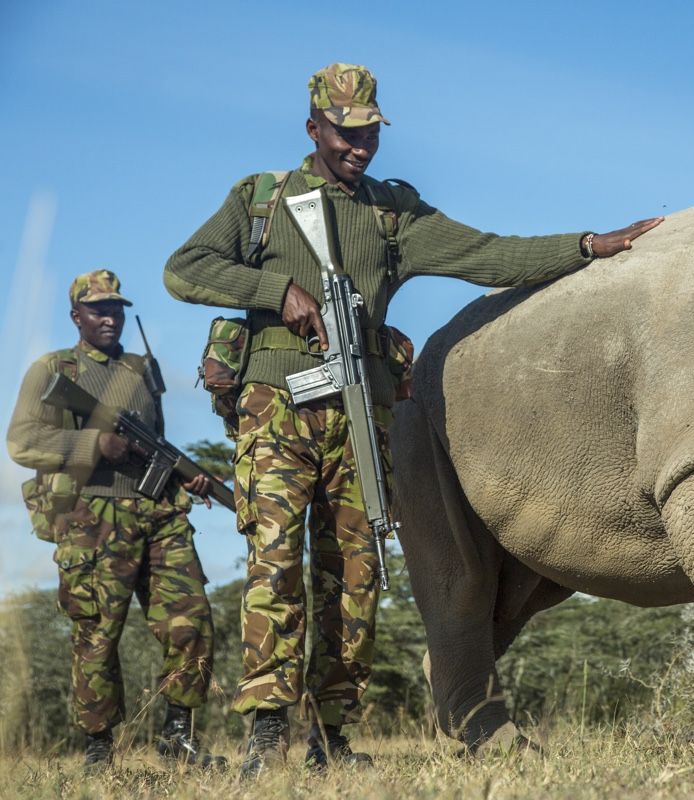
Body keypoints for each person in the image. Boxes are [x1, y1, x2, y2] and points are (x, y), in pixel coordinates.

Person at [163, 62, 661, 776]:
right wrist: (277, 290)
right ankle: (267, 730)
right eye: (344, 133)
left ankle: (331, 734)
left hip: (362, 414)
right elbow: (184, 269)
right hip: (276, 409)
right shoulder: (262, 200)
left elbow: (487, 254)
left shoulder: (392, 212)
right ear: (313, 128)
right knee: (274, 563)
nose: (358, 146)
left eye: (368, 133)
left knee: (357, 575)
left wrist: (583, 246)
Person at [6, 270, 225, 771]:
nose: (110, 316)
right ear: (75, 316)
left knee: (191, 623)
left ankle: (178, 738)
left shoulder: (142, 368)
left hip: (160, 514)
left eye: (117, 308)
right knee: (98, 634)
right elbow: (20, 441)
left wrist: (183, 477)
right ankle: (100, 749)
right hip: (92, 517)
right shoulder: (53, 369)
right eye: (98, 308)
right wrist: (91, 444)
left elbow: (156, 442)